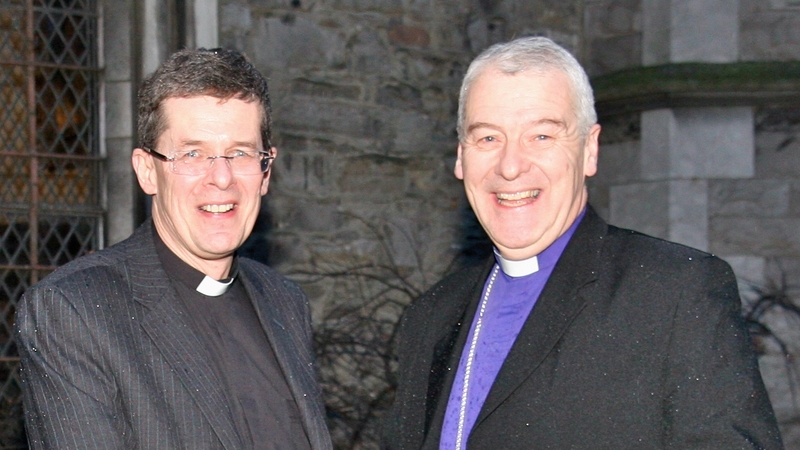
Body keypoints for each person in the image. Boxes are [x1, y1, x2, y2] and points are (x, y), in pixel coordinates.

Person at [382, 36, 783, 449]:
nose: (511, 165)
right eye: (488, 138)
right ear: (461, 157)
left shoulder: (675, 294)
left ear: (590, 149)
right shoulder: (431, 316)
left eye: (541, 136)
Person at [16, 48, 332, 450]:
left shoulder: (285, 303)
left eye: (240, 153)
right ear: (148, 171)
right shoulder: (75, 310)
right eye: (192, 154)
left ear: (266, 170)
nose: (221, 178)